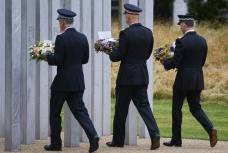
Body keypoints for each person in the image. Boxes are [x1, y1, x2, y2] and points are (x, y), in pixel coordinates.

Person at [106, 3, 160, 150]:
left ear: (129, 15)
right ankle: (155, 134)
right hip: (142, 74)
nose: (126, 18)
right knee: (144, 107)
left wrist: (109, 51)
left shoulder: (126, 34)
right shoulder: (148, 32)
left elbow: (118, 56)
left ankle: (118, 141)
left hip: (127, 77)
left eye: (126, 15)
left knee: (121, 109)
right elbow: (148, 54)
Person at [44, 9, 99, 153]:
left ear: (62, 22)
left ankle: (56, 144)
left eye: (59, 21)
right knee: (81, 112)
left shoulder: (61, 38)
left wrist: (47, 55)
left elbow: (58, 60)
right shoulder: (83, 37)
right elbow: (85, 59)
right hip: (78, 81)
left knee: (55, 113)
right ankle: (93, 135)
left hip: (62, 83)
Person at [161, 15, 218, 148]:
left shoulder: (182, 41)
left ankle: (176, 140)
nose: (180, 27)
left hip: (183, 79)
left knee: (176, 109)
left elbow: (176, 61)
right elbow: (202, 61)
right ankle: (211, 129)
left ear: (184, 25)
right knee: (196, 108)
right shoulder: (202, 41)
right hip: (197, 77)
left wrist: (165, 62)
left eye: (180, 24)